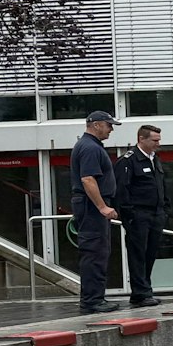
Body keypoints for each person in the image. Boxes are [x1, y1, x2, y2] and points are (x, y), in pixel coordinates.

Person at [69, 111, 121, 313]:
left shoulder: (91, 146)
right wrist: (102, 206)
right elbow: (87, 179)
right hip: (91, 207)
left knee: (99, 251)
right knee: (95, 252)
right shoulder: (90, 147)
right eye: (109, 125)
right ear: (97, 125)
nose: (111, 129)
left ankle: (95, 298)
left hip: (90, 205)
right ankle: (92, 300)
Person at [115, 124, 169, 308]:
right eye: (154, 140)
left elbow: (161, 185)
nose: (158, 144)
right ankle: (140, 292)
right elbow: (121, 190)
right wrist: (128, 215)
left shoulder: (155, 159)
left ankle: (145, 290)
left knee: (150, 253)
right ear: (141, 139)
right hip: (138, 215)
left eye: (158, 140)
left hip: (156, 213)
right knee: (137, 254)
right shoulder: (128, 161)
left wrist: (164, 208)